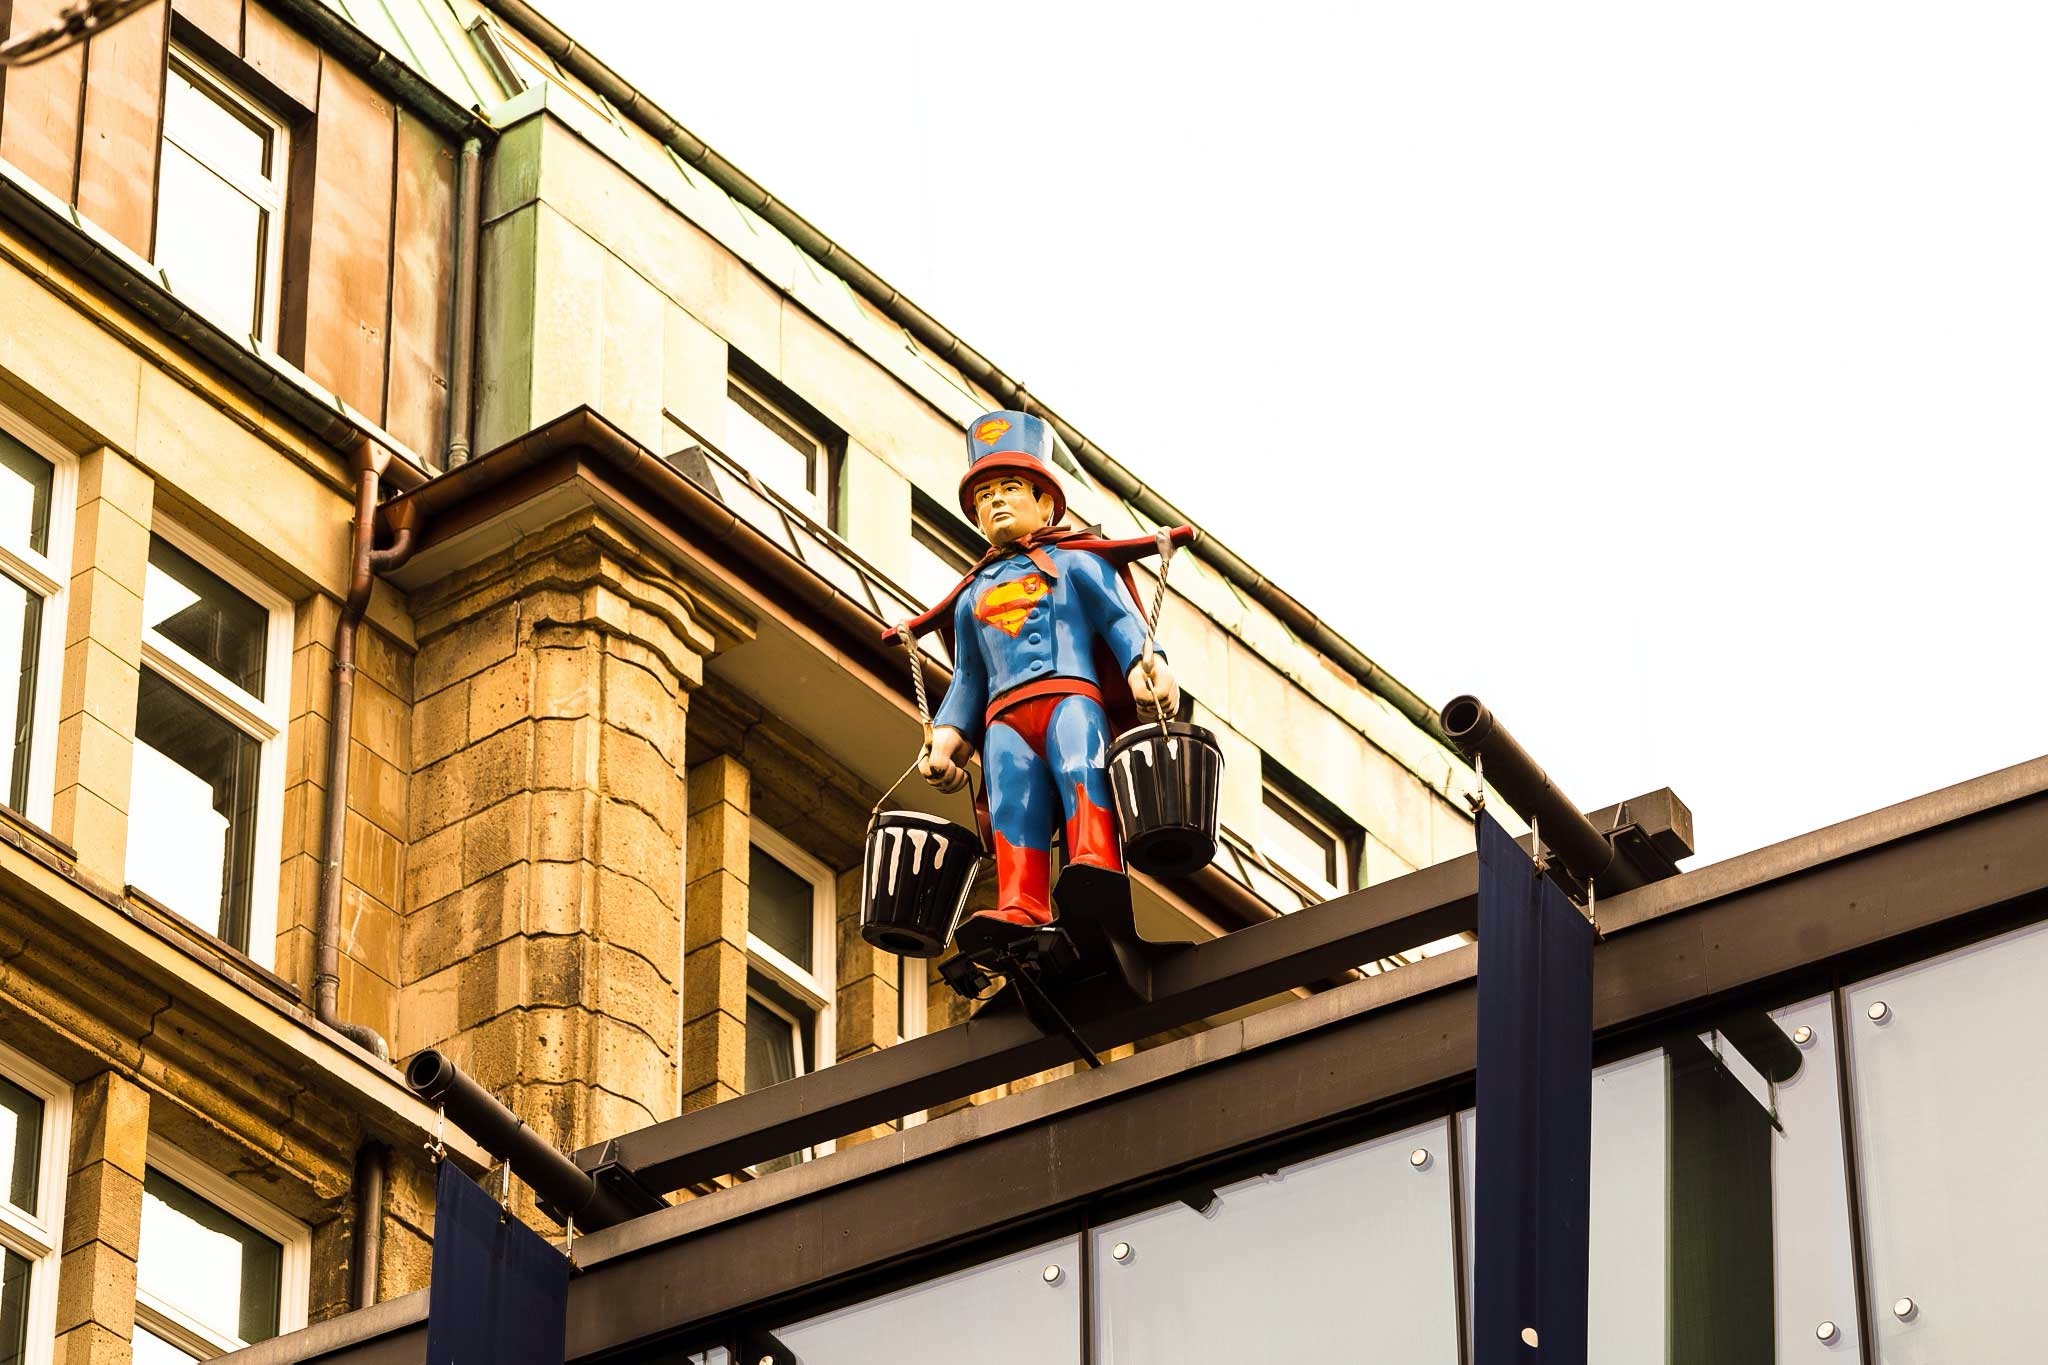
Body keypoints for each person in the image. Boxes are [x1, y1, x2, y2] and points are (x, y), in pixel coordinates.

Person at [897, 410, 1187, 952]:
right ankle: (1021, 901)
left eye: (1009, 488)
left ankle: (1095, 861)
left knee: (1082, 768)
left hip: (1070, 699)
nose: (996, 502)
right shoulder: (972, 594)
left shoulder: (1077, 563)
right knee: (1013, 801)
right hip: (1003, 720)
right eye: (984, 496)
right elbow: (968, 677)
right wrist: (946, 739)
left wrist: (1147, 665)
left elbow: (1120, 620)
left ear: (1046, 502)